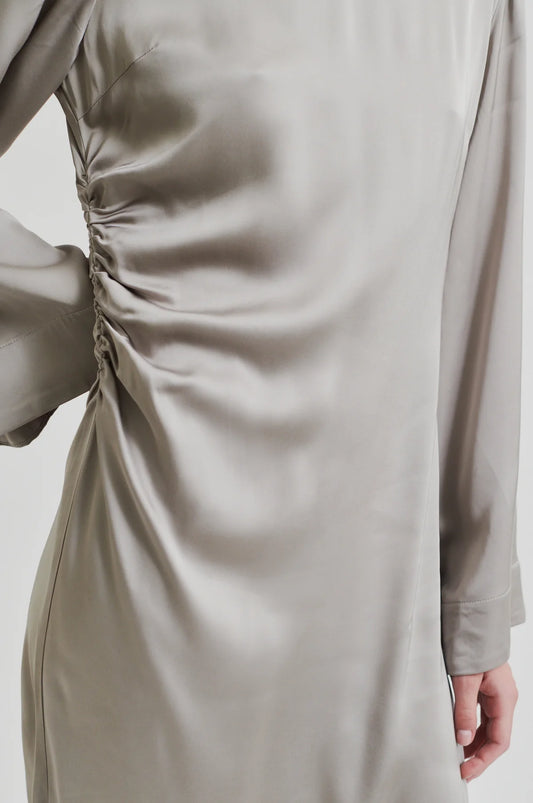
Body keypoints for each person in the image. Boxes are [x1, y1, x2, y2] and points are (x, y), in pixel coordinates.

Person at [0, 0, 527, 800]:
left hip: (387, 640)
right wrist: (84, 320)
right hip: (154, 613)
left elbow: (476, 272)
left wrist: (473, 601)